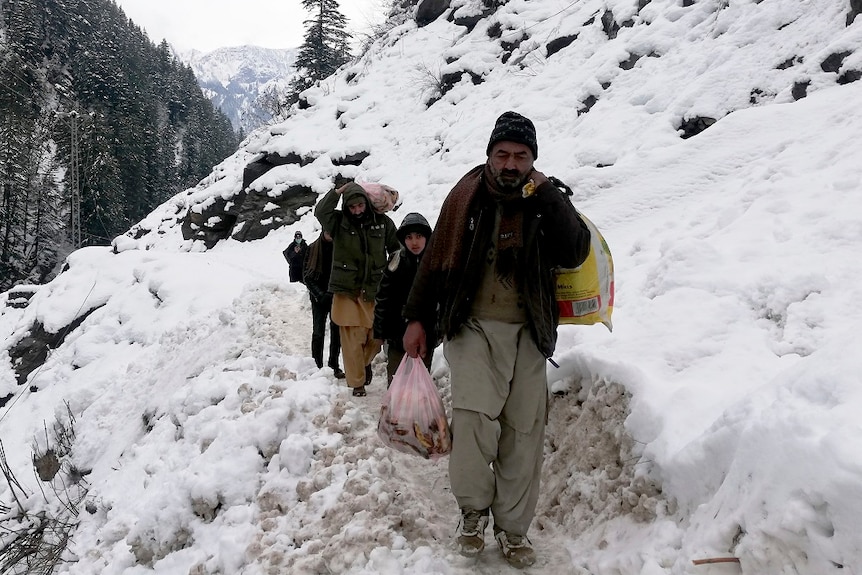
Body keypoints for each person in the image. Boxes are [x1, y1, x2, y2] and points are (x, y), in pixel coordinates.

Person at [402, 111, 592, 568]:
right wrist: (415, 318)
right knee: (472, 424)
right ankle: (472, 512)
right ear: (489, 155)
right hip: (472, 327)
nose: (510, 163)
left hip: (529, 331)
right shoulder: (465, 197)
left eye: (521, 156)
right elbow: (434, 263)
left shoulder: (546, 199)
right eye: (503, 154)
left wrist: (548, 194)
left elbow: (575, 250)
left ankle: (512, 528)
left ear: (533, 160)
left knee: (523, 432)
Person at [314, 182, 400, 397]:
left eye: (360, 205)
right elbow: (321, 211)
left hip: (375, 289)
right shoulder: (337, 223)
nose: (357, 211)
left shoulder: (383, 223)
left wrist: (393, 271)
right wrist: (339, 192)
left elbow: (397, 249)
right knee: (352, 340)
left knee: (375, 337)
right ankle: (357, 383)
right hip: (347, 291)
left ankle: (363, 364)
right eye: (352, 207)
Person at [373, 212, 435, 386]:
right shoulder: (396, 261)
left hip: (425, 337)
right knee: (396, 380)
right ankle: (396, 412)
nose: (414, 242)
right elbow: (383, 298)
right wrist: (379, 332)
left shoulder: (435, 263)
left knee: (420, 381)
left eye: (419, 236)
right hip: (397, 336)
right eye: (409, 237)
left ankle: (417, 412)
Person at [303, 230, 345, 379]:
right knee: (318, 332)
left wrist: (334, 293)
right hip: (318, 298)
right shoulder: (313, 248)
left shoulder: (341, 248)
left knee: (336, 332)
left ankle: (334, 365)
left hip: (336, 297)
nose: (330, 234)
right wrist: (320, 295)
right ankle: (316, 366)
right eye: (328, 231)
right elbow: (307, 276)